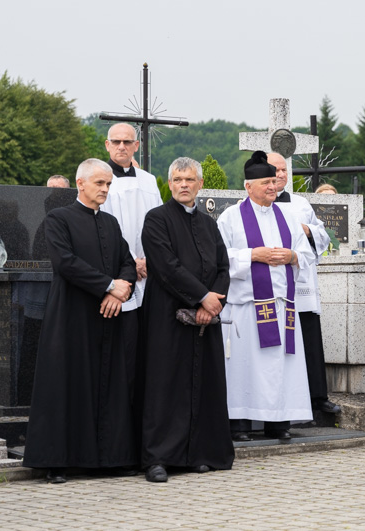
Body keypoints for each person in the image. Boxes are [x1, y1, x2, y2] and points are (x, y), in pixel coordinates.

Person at [22, 159, 137, 483]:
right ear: (80, 183)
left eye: (108, 184)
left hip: (106, 318)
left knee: (108, 385)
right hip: (71, 317)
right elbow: (66, 263)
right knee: (66, 385)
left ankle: (111, 458)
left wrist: (120, 290)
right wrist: (108, 285)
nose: (105, 189)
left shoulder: (112, 224)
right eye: (100, 183)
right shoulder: (59, 219)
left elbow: (126, 262)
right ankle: (58, 461)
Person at [139, 157, 234, 483]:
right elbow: (166, 266)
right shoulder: (156, 219)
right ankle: (159, 458)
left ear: (200, 184)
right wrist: (201, 296)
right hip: (166, 316)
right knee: (165, 385)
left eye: (189, 179)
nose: (183, 184)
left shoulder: (209, 224)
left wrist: (214, 302)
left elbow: (223, 267)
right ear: (170, 183)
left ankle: (199, 453)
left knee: (203, 384)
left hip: (206, 319)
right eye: (178, 179)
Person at [218, 151, 315, 442]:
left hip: (282, 306)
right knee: (245, 367)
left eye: (274, 181)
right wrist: (252, 255)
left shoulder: (288, 216)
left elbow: (308, 254)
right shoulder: (231, 217)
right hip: (247, 307)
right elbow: (219, 258)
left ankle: (279, 422)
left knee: (280, 368)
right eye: (266, 183)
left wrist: (293, 255)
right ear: (248, 187)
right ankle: (241, 423)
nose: (273, 187)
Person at [100, 122, 163, 433]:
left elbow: (158, 223)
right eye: (116, 142)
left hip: (149, 271)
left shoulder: (149, 182)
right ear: (107, 145)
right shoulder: (101, 179)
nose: (122, 147)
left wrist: (150, 259)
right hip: (118, 275)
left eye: (128, 142)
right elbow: (102, 229)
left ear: (136, 146)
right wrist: (129, 264)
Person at [267, 153, 341, 415]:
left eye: (283, 169)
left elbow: (323, 235)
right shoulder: (250, 206)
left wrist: (306, 230)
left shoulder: (301, 204)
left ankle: (317, 397)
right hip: (273, 287)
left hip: (301, 286)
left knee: (309, 339)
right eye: (274, 169)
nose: (280, 174)